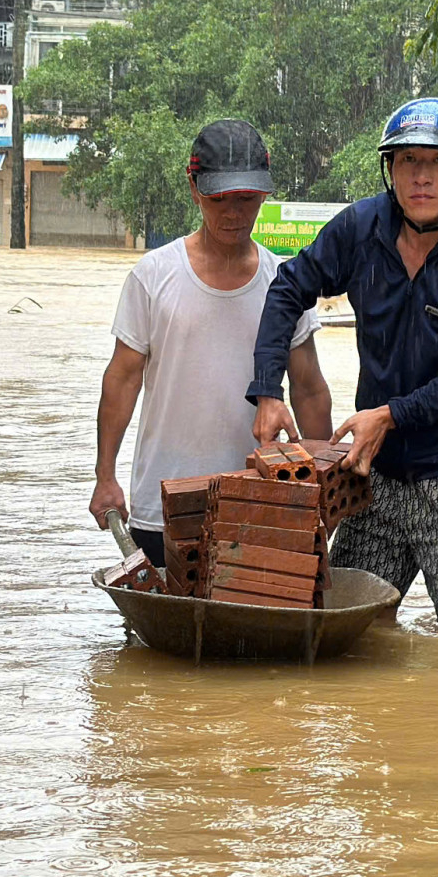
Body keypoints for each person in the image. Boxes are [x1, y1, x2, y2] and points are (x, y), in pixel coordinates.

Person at [247, 97, 438, 637]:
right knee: (354, 629)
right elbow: (287, 289)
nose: (420, 177)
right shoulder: (360, 227)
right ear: (390, 170)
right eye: (406, 161)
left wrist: (391, 415)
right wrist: (266, 388)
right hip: (375, 468)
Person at [89, 118, 332, 567]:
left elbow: (309, 387)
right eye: (220, 199)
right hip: (161, 510)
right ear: (193, 187)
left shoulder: (284, 283)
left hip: (259, 506)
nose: (234, 214)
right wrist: (106, 476)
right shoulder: (154, 276)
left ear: (263, 193)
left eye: (247, 199)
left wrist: (322, 482)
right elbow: (122, 380)